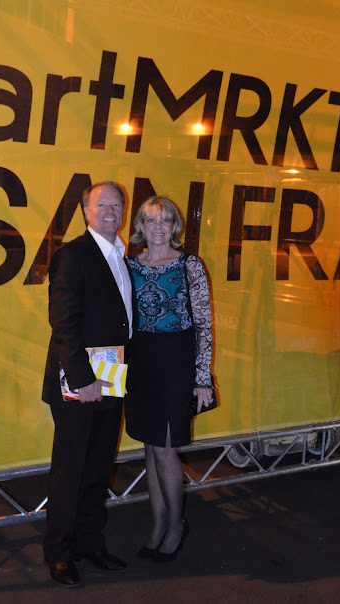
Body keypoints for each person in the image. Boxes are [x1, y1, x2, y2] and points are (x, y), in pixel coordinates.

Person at [41, 181, 133, 586]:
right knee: (70, 471)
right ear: (85, 211)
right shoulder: (72, 256)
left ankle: (90, 543)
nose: (110, 211)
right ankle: (59, 553)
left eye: (117, 205)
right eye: (102, 205)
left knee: (98, 469)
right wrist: (83, 380)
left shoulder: (122, 255)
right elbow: (63, 323)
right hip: (80, 383)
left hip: (112, 379)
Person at [125, 195, 213, 562]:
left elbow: (203, 324)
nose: (158, 226)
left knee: (165, 448)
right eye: (151, 220)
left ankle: (177, 525)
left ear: (175, 226)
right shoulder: (129, 265)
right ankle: (159, 523)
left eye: (165, 220)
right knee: (150, 447)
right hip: (141, 362)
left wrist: (202, 378)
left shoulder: (189, 265)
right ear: (141, 227)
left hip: (177, 363)